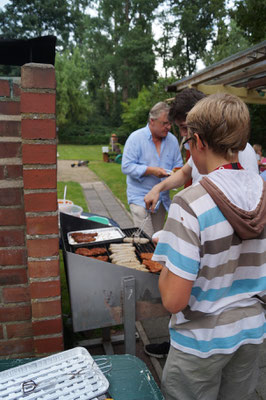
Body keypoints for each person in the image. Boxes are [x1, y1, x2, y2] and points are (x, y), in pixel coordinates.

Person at [152, 93, 266, 400]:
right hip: (252, 332)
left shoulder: (189, 204)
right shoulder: (263, 191)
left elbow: (174, 300)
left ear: (198, 141)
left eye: (187, 140)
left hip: (200, 342)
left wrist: (167, 261)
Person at [144, 89, 259, 214]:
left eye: (185, 127)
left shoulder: (240, 150)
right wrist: (158, 188)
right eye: (180, 128)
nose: (184, 134)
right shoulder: (202, 148)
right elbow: (184, 173)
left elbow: (250, 199)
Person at [121, 102, 183, 237]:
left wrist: (176, 173)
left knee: (157, 238)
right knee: (145, 238)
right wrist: (151, 170)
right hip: (139, 199)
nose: (169, 127)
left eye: (170, 123)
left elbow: (179, 166)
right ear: (152, 121)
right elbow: (126, 166)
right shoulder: (136, 138)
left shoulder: (172, 140)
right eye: (165, 123)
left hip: (162, 199)